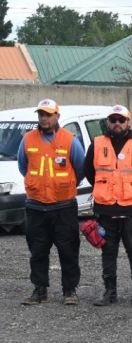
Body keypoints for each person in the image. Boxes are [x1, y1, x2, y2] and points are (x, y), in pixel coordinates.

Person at [84, 105, 132, 307]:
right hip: (106, 209)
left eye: (121, 120)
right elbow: (90, 172)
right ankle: (109, 291)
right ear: (108, 122)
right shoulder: (97, 144)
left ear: (128, 122)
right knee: (108, 251)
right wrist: (105, 189)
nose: (117, 123)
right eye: (113, 120)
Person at [18, 99, 85, 306]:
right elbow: (23, 166)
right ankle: (39, 290)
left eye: (48, 114)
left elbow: (80, 168)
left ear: (57, 115)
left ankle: (69, 290)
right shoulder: (28, 139)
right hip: (36, 205)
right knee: (38, 250)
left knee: (68, 250)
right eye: (41, 115)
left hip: (63, 205)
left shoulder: (70, 140)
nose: (44, 118)